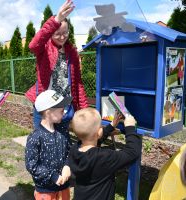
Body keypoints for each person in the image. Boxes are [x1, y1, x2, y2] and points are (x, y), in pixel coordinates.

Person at [25, 0, 88, 132]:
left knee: (63, 144)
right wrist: (57, 19)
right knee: (43, 145)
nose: (61, 37)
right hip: (45, 108)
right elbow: (33, 45)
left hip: (64, 109)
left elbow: (78, 83)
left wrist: (84, 109)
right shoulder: (44, 48)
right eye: (57, 33)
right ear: (51, 32)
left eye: (65, 33)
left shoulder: (72, 52)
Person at [68, 108, 142, 200]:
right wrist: (130, 128)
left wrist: (112, 125)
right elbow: (132, 153)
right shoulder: (103, 157)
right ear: (99, 132)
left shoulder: (75, 149)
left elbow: (95, 139)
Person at [25, 90, 73, 200]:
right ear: (48, 112)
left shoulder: (63, 132)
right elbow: (31, 165)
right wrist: (52, 175)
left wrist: (67, 165)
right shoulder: (35, 137)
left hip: (63, 187)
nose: (64, 112)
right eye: (61, 109)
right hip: (45, 191)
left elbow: (70, 151)